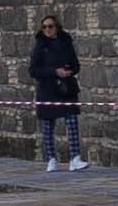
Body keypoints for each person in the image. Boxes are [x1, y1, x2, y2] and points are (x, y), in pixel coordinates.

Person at [28, 15, 85, 173]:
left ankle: (75, 158)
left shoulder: (66, 43)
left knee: (72, 121)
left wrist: (69, 71)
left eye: (50, 26)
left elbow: (76, 65)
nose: (47, 29)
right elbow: (33, 70)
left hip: (66, 88)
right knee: (48, 126)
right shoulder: (40, 46)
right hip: (48, 89)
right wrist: (54, 71)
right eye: (44, 27)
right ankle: (51, 159)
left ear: (57, 27)